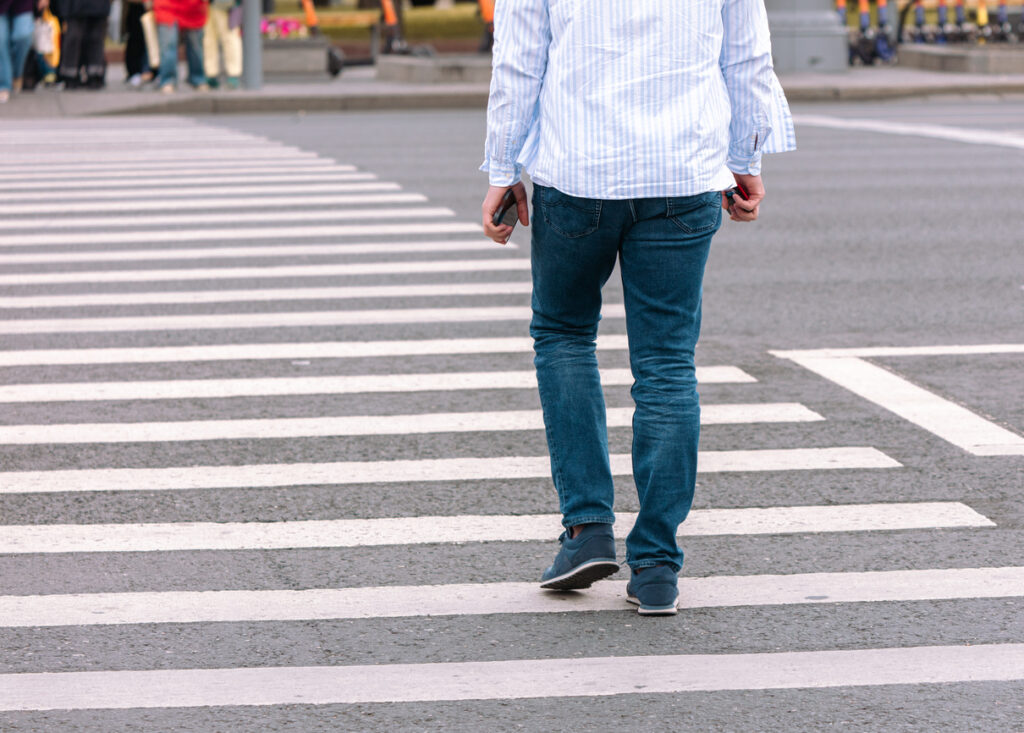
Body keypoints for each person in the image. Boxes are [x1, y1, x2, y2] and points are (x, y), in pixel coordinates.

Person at [481, 0, 795, 615]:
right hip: (683, 175)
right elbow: (747, 59)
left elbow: (518, 64)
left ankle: (587, 529)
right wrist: (746, 161)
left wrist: (502, 167)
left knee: (564, 336)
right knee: (667, 365)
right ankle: (656, 565)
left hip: (578, 175)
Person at [54, 0, 110, 89]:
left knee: (95, 38)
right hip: (75, 7)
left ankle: (94, 75)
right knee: (74, 38)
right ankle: (70, 76)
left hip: (96, 6)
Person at [153, 0, 207, 93]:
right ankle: (167, 80)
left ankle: (197, 78)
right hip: (166, 6)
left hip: (193, 7)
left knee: (196, 47)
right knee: (168, 45)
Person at [0, 0, 38, 101]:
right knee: (1, 40)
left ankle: (16, 74)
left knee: (24, 36)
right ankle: (3, 84)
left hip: (22, 3)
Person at [202, 0, 241, 89]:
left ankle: (233, 75)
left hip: (225, 5)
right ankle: (210, 74)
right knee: (208, 40)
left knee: (230, 39)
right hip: (206, 5)